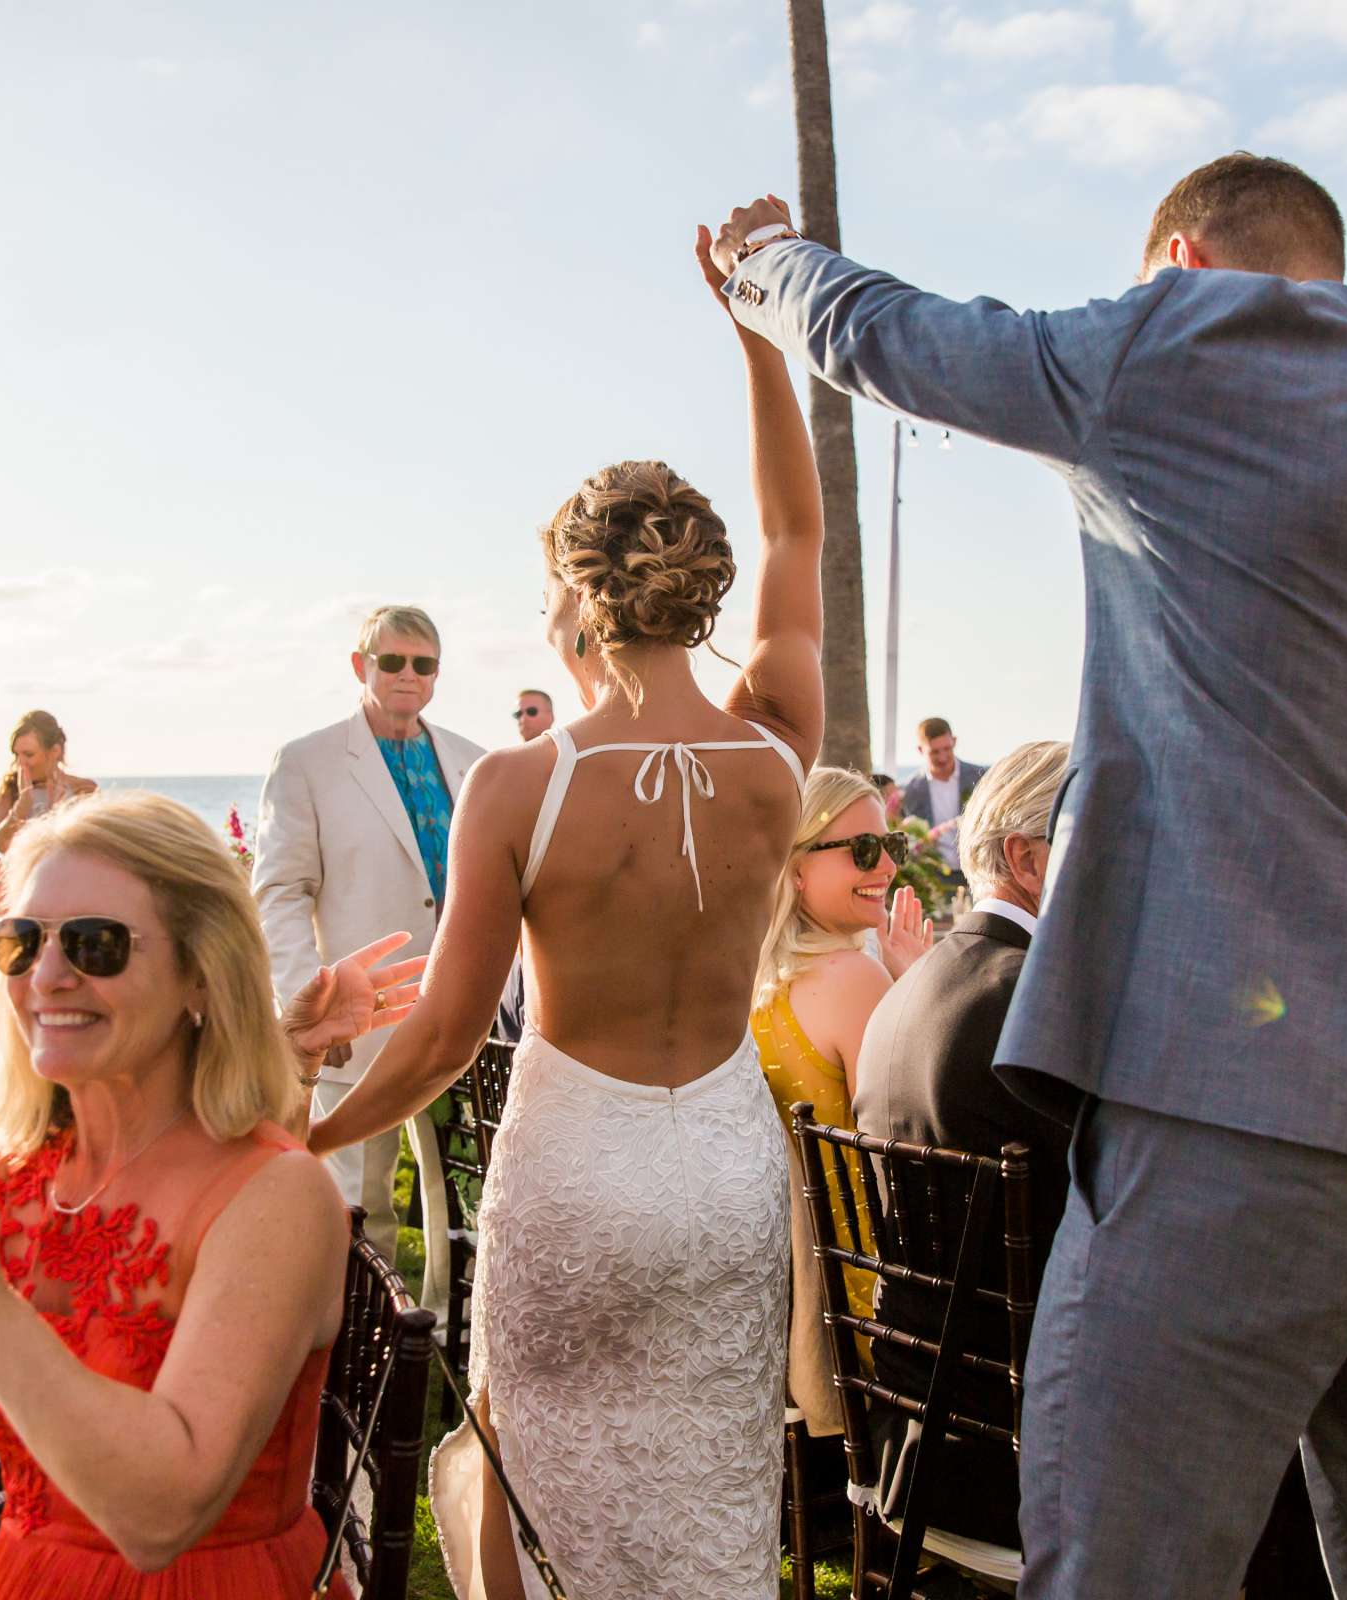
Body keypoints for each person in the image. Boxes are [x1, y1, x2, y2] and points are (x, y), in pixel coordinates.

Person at [708, 152, 1347, 1600]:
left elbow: (894, 335)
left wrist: (766, 266)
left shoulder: (1166, 346)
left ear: (1178, 265)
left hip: (1224, 1121)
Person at [303, 226, 825, 1600]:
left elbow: (434, 1043)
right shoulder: (778, 746)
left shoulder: (524, 784)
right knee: (708, 1500)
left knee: (551, 1490)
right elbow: (797, 528)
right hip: (722, 1171)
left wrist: (306, 1135)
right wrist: (756, 334)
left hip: (577, 1181)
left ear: (578, 600)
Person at [0, 791, 418, 1597]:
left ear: (201, 971)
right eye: (21, 944)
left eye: (95, 945)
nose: (48, 978)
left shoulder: (273, 1193)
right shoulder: (10, 1166)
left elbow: (161, 1517)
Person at [852, 739, 1070, 1546]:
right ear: (1027, 857)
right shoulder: (1038, 1004)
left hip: (913, 1429)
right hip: (1015, 1457)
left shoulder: (908, 991)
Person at [251, 603, 486, 1237]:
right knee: (356, 1210)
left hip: (461, 1020)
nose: (408, 675)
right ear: (361, 666)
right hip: (358, 1019)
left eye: (423, 664)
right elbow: (280, 891)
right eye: (392, 661)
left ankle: (438, 1327)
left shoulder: (476, 761)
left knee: (458, 1206)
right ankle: (355, 1331)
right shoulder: (307, 761)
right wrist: (313, 1001)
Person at [752, 765, 933, 1413]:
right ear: (797, 867)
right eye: (862, 850)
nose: (885, 865)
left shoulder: (754, 976)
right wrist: (915, 990)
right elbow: (907, 1156)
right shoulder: (854, 977)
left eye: (894, 846)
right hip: (869, 1301)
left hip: (791, 1288)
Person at [0, 709, 98, 853]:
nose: (20, 763)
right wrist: (22, 805)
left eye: (28, 754)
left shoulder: (84, 789)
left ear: (55, 751)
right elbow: (3, 847)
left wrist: (58, 813)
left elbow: (92, 851)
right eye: (16, 754)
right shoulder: (9, 788)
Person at [898, 716, 988, 878]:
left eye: (947, 749)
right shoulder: (911, 790)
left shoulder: (981, 777)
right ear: (920, 750)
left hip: (979, 869)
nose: (942, 757)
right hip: (935, 875)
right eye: (934, 752)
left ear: (954, 741)